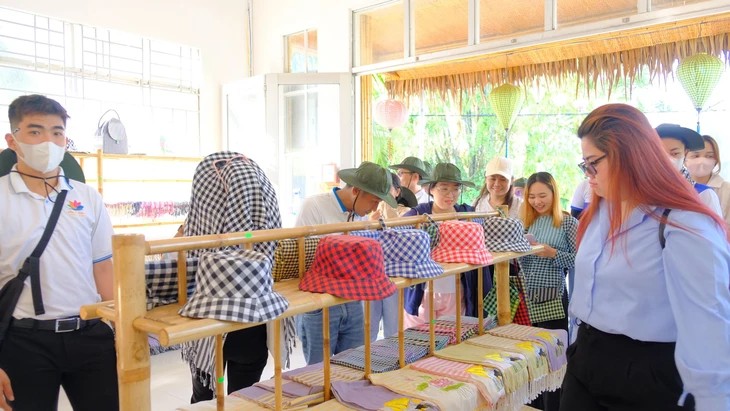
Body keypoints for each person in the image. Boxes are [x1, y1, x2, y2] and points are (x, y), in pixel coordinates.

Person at [561, 103, 730, 410]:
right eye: (584, 165)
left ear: (630, 156)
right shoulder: (600, 210)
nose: (588, 175)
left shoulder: (683, 221)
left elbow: (709, 326)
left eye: (593, 163)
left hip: (647, 373)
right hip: (585, 359)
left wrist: (713, 400)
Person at [0, 95, 118, 409]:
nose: (48, 141)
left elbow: (103, 267)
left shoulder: (88, 198)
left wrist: (122, 328)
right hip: (24, 340)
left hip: (90, 334)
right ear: (12, 140)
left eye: (57, 132)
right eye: (35, 131)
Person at [295, 161, 396, 364]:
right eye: (374, 201)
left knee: (353, 365)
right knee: (318, 371)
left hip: (353, 300)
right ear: (356, 191)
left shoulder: (361, 216)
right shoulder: (314, 206)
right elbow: (299, 256)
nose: (375, 208)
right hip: (320, 301)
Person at [519, 171, 577, 411]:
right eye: (532, 196)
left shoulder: (568, 222)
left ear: (554, 193)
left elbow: (580, 260)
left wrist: (552, 253)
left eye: (542, 195)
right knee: (530, 359)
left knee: (553, 360)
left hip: (553, 297)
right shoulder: (525, 222)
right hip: (526, 299)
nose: (537, 201)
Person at [401, 162, 484, 328]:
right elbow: (399, 238)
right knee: (417, 337)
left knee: (452, 336)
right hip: (422, 291)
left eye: (455, 189)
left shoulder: (467, 214)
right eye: (444, 188)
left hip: (456, 289)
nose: (450, 194)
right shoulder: (417, 214)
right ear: (431, 189)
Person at [367, 172, 416, 341]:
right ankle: (367, 357)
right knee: (368, 326)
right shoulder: (368, 212)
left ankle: (394, 356)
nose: (382, 195)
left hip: (396, 276)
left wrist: (389, 215)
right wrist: (369, 223)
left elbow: (406, 238)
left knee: (394, 327)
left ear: (397, 191)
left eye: (387, 189)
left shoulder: (407, 212)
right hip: (371, 275)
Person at [656, 123, 723, 216]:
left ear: (685, 152)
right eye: (660, 153)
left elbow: (716, 225)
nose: (668, 160)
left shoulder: (703, 194)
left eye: (675, 153)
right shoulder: (642, 192)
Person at [685, 134, 730, 227]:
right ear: (685, 159)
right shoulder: (676, 187)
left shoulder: (726, 190)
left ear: (716, 160)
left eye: (709, 156)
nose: (702, 161)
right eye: (696, 156)